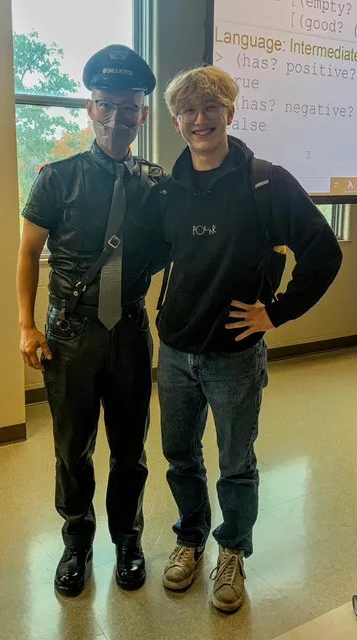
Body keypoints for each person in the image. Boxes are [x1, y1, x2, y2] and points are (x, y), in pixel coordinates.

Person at [147, 66, 343, 612]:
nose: (200, 119)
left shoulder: (266, 181)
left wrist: (275, 314)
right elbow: (150, 254)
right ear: (175, 119)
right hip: (175, 351)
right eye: (188, 110)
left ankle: (231, 550)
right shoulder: (167, 189)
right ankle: (190, 538)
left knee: (235, 461)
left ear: (231, 112)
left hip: (234, 355)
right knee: (179, 456)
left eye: (211, 108)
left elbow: (324, 252)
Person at [16, 45, 168, 597]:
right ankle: (76, 539)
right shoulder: (56, 178)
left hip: (128, 333)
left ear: (141, 114)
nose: (116, 117)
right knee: (71, 447)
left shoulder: (155, 185)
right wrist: (27, 327)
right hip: (71, 336)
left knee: (131, 449)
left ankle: (128, 538)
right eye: (106, 105)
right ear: (89, 108)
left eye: (128, 107)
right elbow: (29, 252)